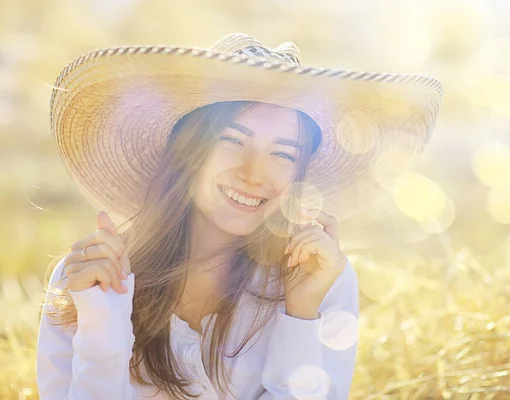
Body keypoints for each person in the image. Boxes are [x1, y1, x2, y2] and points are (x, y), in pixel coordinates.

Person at [36, 33, 442, 399]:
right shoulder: (91, 280)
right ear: (188, 152)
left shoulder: (324, 279)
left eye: (283, 154)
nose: (253, 174)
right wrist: (103, 335)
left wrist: (300, 313)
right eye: (231, 141)